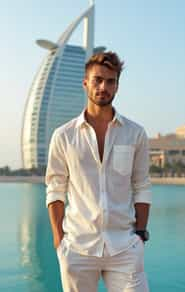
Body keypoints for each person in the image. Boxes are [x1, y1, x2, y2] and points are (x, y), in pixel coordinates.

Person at [45, 51, 152, 292]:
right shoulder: (64, 136)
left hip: (124, 246)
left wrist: (140, 236)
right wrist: (59, 242)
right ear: (86, 83)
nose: (103, 86)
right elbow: (55, 188)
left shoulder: (135, 133)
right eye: (97, 80)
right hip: (78, 248)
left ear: (117, 86)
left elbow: (142, 185)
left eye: (110, 81)